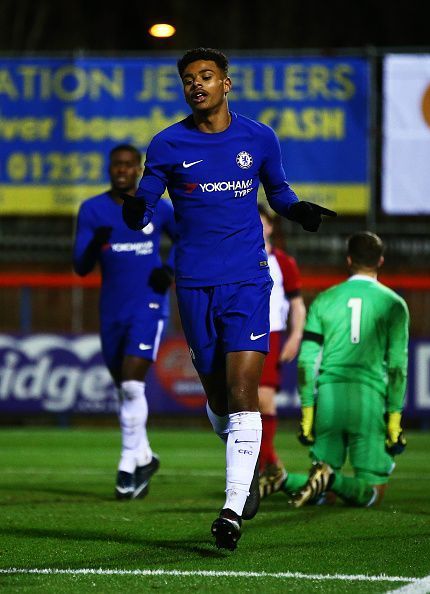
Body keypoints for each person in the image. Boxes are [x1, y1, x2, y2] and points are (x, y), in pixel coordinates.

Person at [120, 47, 336, 550]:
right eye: (189, 79)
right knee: (218, 398)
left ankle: (232, 508)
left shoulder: (258, 137)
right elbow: (148, 200)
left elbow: (278, 193)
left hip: (248, 279)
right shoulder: (168, 143)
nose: (197, 84)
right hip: (193, 282)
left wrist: (297, 209)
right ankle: (248, 468)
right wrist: (136, 212)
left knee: (244, 392)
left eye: (206, 76)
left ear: (226, 84)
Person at [262, 231, 409, 508]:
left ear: (349, 260)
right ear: (380, 261)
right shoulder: (394, 304)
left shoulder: (325, 300)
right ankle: (329, 478)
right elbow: (398, 368)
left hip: (329, 400)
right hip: (369, 399)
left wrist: (308, 413)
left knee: (326, 493)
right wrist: (394, 419)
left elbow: (306, 362)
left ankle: (281, 479)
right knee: (372, 493)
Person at [73, 143, 176, 501]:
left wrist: (169, 269)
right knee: (124, 388)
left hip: (148, 306)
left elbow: (186, 238)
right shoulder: (92, 210)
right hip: (112, 310)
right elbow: (81, 266)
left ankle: (126, 463)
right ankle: (144, 457)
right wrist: (93, 245)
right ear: (109, 169)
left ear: (138, 170)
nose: (121, 170)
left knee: (133, 385)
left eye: (128, 165)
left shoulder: (157, 208)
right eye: (116, 165)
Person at [257, 204, 306, 487]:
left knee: (264, 399)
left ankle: (268, 464)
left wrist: (296, 335)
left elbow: (297, 305)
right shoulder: (236, 258)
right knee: (241, 402)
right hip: (240, 333)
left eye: (261, 221)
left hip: (270, 335)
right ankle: (268, 465)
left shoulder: (283, 262)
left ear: (271, 226)